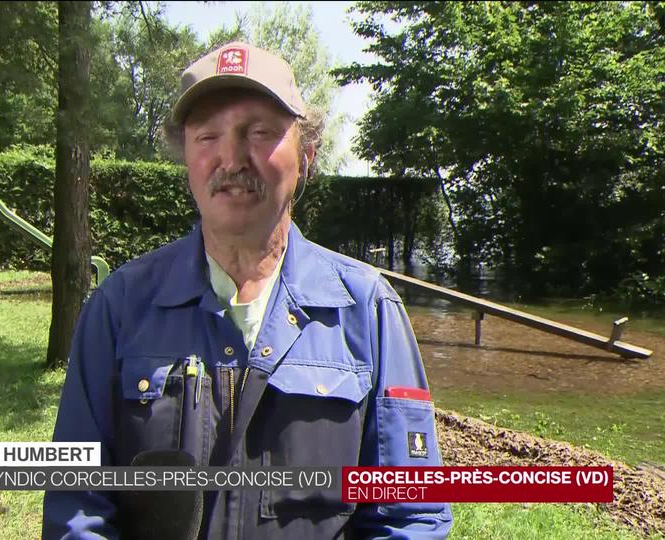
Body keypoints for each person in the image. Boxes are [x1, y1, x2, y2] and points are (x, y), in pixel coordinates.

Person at [43, 41, 453, 539]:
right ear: (186, 157)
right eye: (207, 135)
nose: (231, 158)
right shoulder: (117, 308)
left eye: (259, 132)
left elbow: (411, 515)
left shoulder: (368, 310)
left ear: (306, 153)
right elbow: (75, 506)